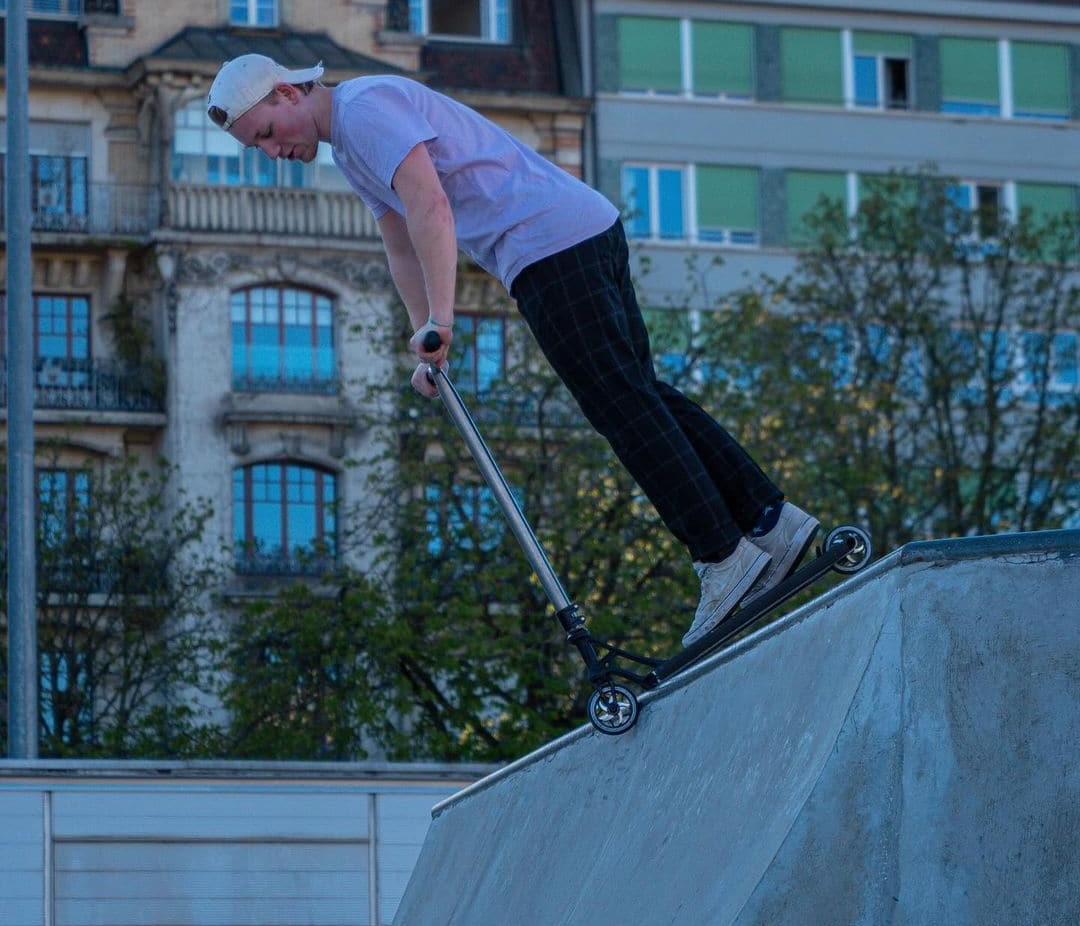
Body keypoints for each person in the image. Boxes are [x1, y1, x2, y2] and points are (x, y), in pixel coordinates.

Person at [207, 55, 819, 646]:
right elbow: (399, 241)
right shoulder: (351, 145)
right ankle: (771, 522)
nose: (271, 151)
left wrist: (442, 320)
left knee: (620, 408)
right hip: (577, 231)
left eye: (264, 133)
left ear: (287, 93)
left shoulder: (365, 109)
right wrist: (424, 335)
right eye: (255, 148)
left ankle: (723, 557)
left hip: (549, 248)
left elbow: (430, 206)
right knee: (639, 394)